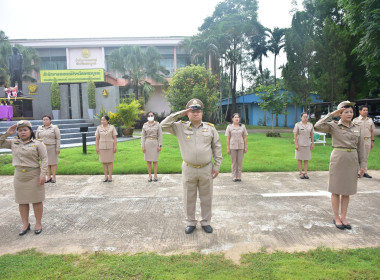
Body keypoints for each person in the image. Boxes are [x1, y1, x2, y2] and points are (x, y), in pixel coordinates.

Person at [161, 98, 222, 234]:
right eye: (192, 111)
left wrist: (217, 166)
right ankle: (190, 222)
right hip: (189, 168)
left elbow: (217, 147)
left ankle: (206, 222)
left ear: (202, 113)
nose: (195, 114)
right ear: (188, 113)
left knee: (206, 197)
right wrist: (179, 114)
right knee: (189, 197)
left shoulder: (210, 128)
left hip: (206, 168)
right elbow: (163, 125)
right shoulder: (180, 127)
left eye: (198, 111)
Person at [315, 101, 365, 230]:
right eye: (346, 112)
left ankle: (344, 217)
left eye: (351, 112)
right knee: (336, 190)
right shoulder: (334, 126)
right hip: (338, 158)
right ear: (340, 113)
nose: (349, 114)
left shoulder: (357, 127)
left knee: (347, 191)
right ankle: (336, 217)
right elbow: (318, 125)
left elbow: (361, 148)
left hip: (352, 160)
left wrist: (363, 165)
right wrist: (332, 114)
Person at [0, 120, 48, 235]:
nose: (22, 132)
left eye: (25, 130)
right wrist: (7, 133)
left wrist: (43, 175)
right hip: (19, 176)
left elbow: (45, 159)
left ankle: (38, 223)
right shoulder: (13, 142)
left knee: (36, 201)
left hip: (34, 175)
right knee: (22, 201)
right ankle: (25, 224)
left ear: (30, 131)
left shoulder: (38, 143)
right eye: (20, 130)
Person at [36, 115, 61, 183]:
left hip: (52, 147)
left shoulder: (54, 127)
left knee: (53, 162)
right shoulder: (39, 128)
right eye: (44, 120)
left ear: (50, 120)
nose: (45, 121)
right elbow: (36, 139)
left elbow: (58, 138)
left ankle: (54, 177)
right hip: (42, 148)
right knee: (45, 163)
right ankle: (48, 176)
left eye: (47, 119)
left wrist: (57, 148)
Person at [353, 105, 375, 178]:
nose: (366, 111)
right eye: (364, 110)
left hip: (367, 140)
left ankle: (364, 171)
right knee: (357, 156)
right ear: (360, 111)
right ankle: (355, 172)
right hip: (358, 140)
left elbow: (372, 131)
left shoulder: (370, 120)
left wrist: (372, 141)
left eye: (367, 110)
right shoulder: (356, 120)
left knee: (365, 156)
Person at [225, 113, 248, 182]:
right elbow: (228, 138)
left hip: (241, 146)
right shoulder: (229, 127)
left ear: (239, 119)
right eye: (235, 117)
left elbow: (245, 137)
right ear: (232, 119)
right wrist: (228, 148)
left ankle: (239, 176)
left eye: (238, 117)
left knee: (240, 162)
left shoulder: (243, 127)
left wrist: (245, 147)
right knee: (234, 162)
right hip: (232, 147)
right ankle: (234, 176)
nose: (236, 118)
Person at [141, 112, 163, 182]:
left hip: (155, 143)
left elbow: (160, 135)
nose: (150, 116)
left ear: (154, 116)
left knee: (155, 160)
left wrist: (160, 145)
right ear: (147, 117)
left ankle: (155, 175)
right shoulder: (145, 125)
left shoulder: (157, 124)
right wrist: (143, 146)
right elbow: (143, 136)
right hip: (147, 143)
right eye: (149, 115)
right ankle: (150, 175)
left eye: (152, 115)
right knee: (148, 161)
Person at [95, 115, 117, 182]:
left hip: (110, 147)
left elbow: (115, 138)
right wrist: (97, 147)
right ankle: (105, 176)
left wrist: (115, 146)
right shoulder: (98, 128)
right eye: (102, 120)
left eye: (104, 120)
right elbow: (97, 139)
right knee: (104, 162)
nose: (102, 121)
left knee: (110, 162)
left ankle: (110, 176)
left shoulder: (112, 127)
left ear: (107, 121)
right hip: (102, 147)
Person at [293, 112, 314, 179]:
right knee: (299, 159)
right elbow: (295, 135)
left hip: (307, 144)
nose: (305, 118)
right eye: (304, 117)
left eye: (306, 117)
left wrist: (312, 143)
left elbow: (312, 134)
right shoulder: (298, 125)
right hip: (300, 144)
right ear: (301, 117)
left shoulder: (310, 125)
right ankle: (301, 173)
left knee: (306, 159)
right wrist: (296, 144)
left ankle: (305, 172)